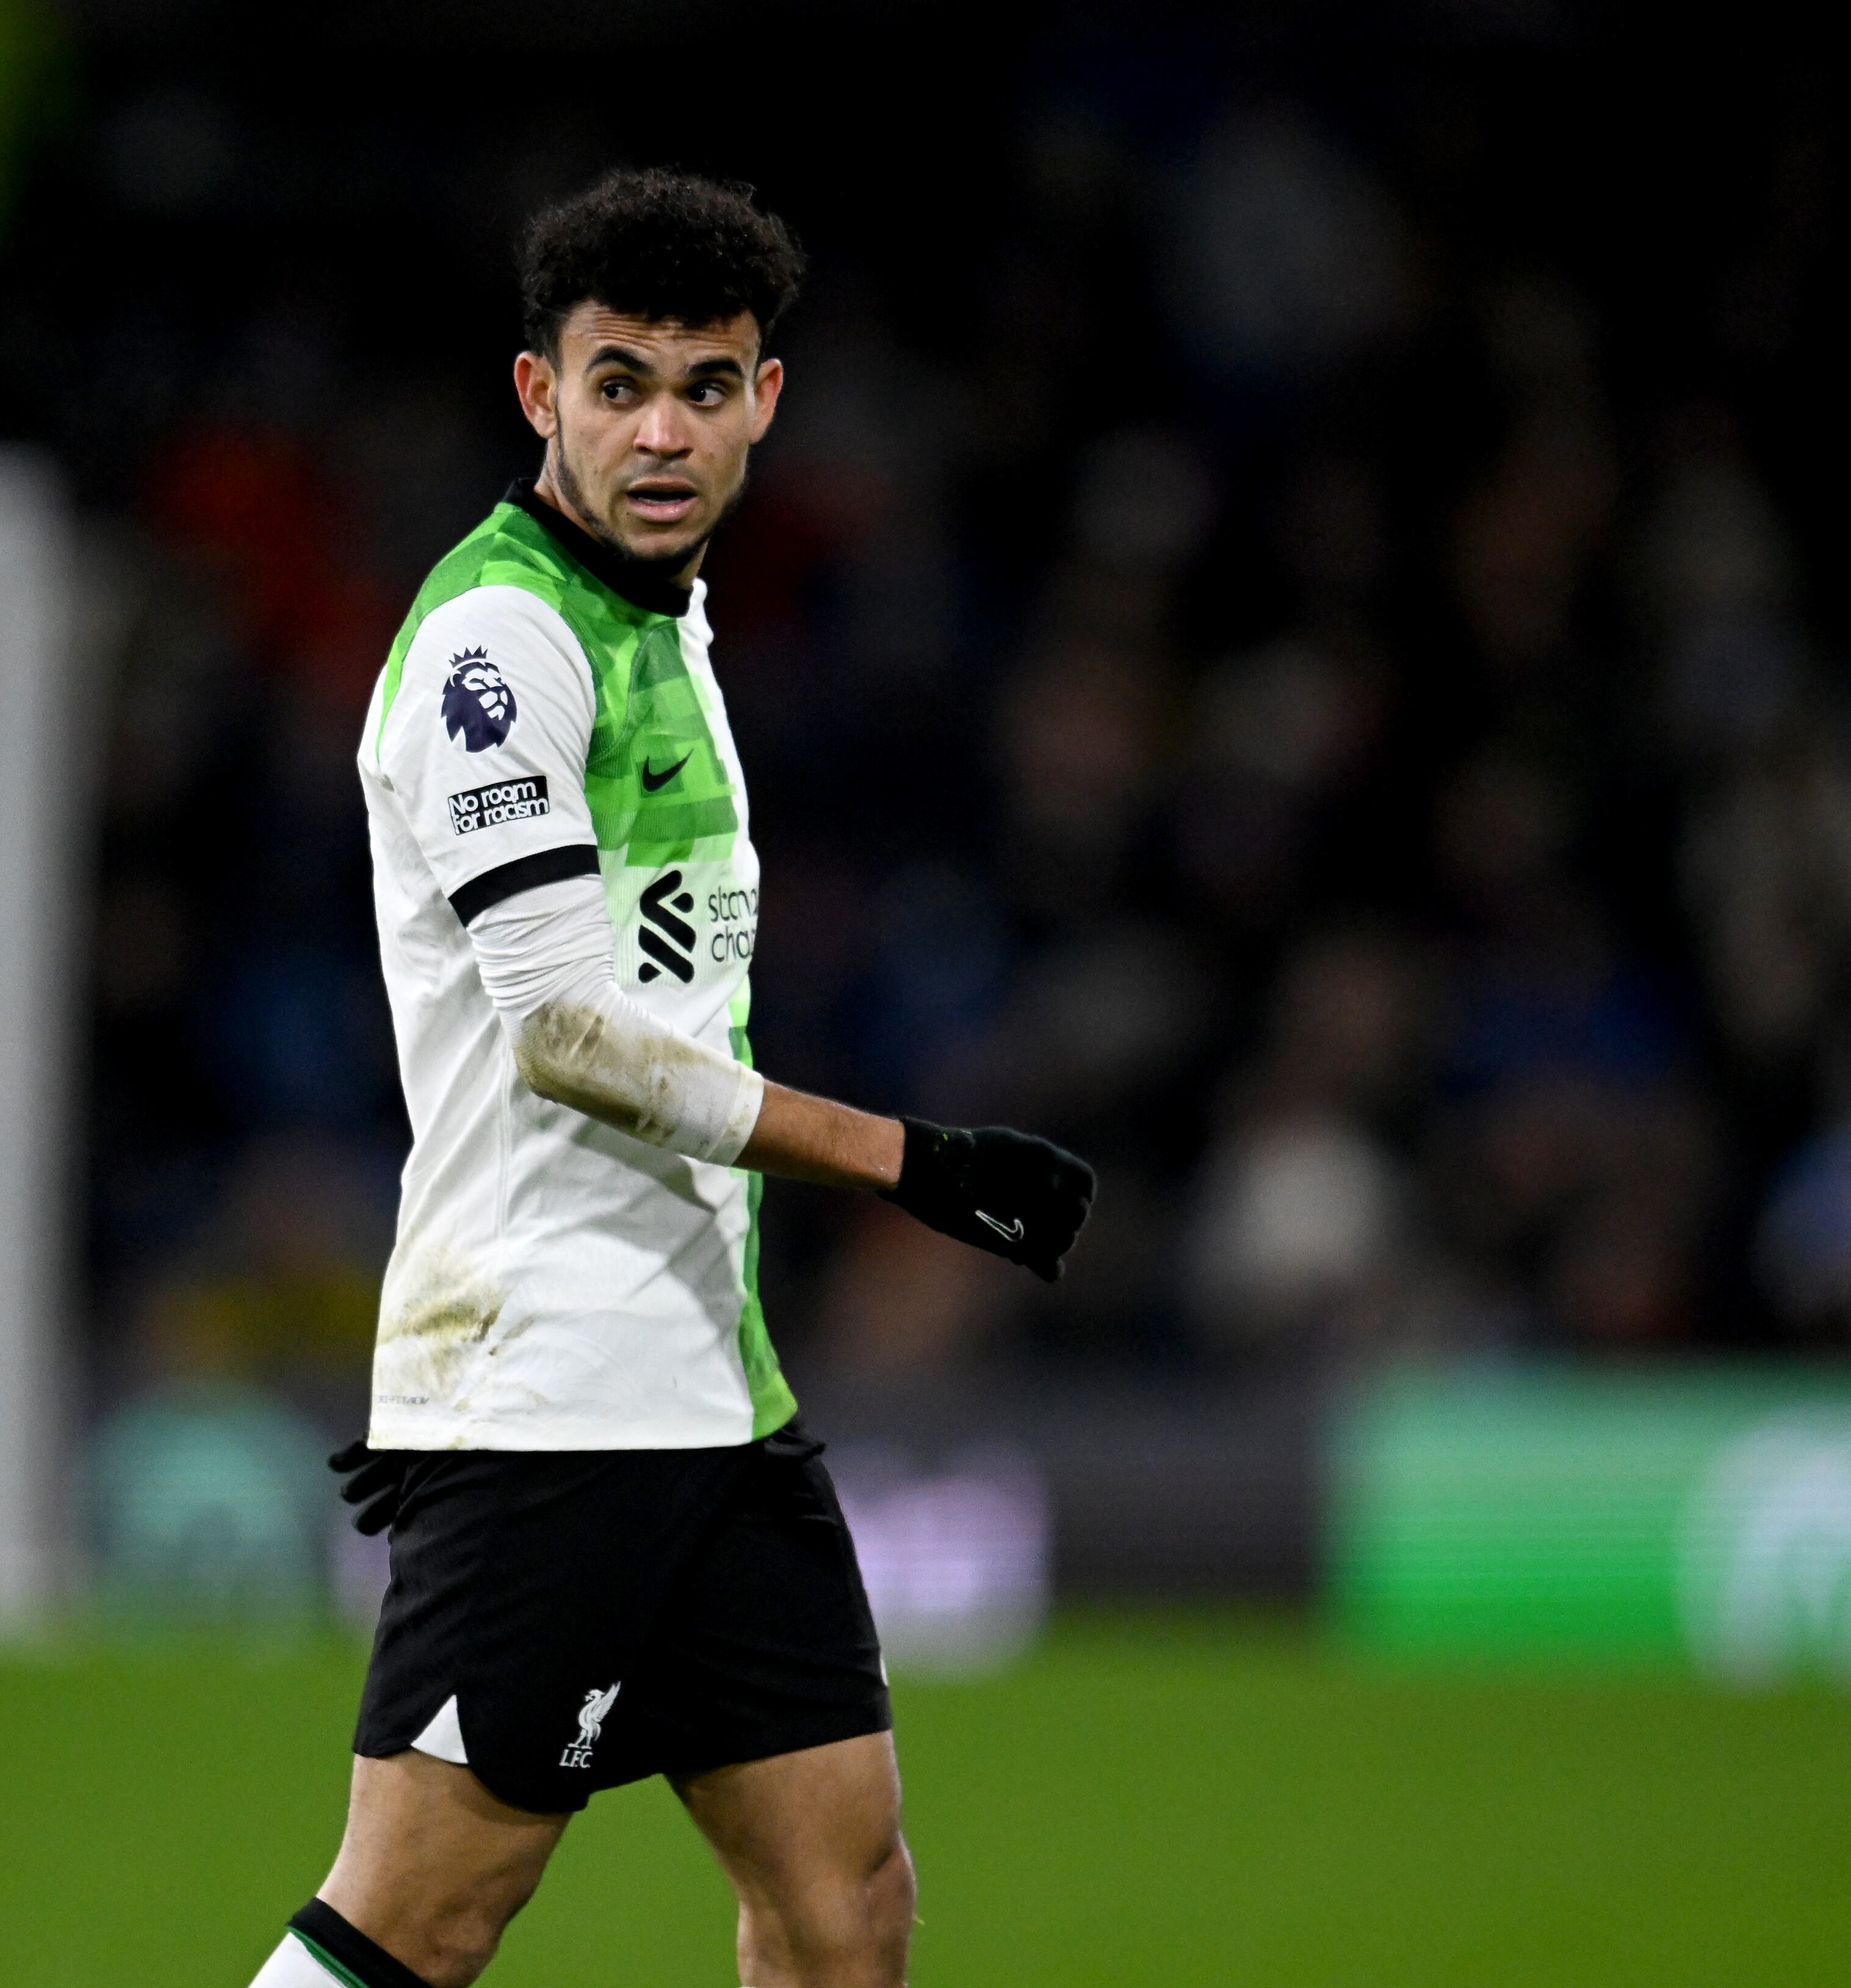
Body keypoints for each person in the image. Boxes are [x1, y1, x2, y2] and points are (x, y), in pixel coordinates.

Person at [242, 171, 1097, 1988]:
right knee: (422, 1912)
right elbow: (567, 1034)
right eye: (618, 383)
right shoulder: (501, 642)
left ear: (765, 402)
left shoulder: (665, 623)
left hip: (708, 1382)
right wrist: (908, 1162)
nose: (661, 432)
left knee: (844, 1902)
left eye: (705, 388)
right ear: (538, 393)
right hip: (551, 1388)